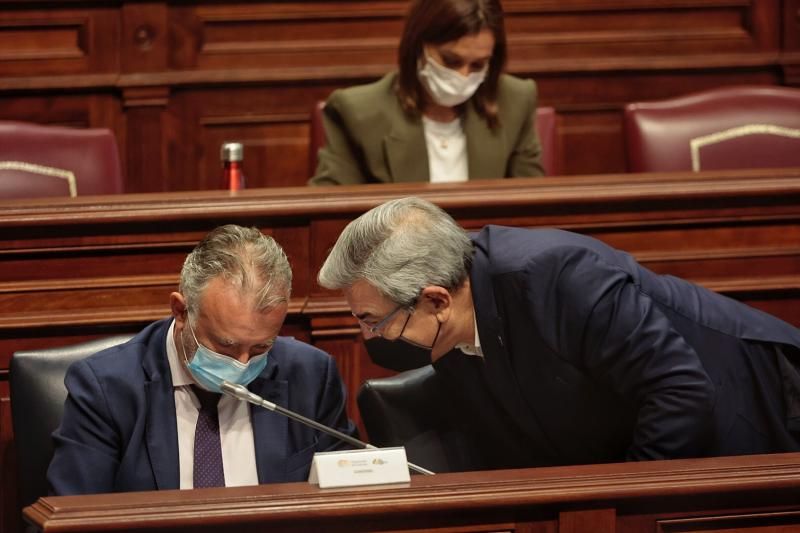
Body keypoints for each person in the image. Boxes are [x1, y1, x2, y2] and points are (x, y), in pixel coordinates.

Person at [318, 197, 800, 470]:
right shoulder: (447, 314)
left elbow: (681, 392)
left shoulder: (555, 277)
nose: (370, 336)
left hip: (755, 398)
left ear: (437, 300)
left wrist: (621, 507)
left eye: (373, 320)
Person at [48, 225, 357, 494]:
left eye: (261, 348)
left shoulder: (312, 376)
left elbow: (348, 500)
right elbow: (73, 516)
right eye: (225, 346)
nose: (242, 364)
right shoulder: (106, 389)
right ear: (181, 312)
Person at [309, 0, 545, 186]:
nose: (463, 76)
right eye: (451, 60)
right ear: (417, 46)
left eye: (477, 65)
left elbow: (530, 210)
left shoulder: (516, 100)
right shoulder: (356, 111)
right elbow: (329, 213)